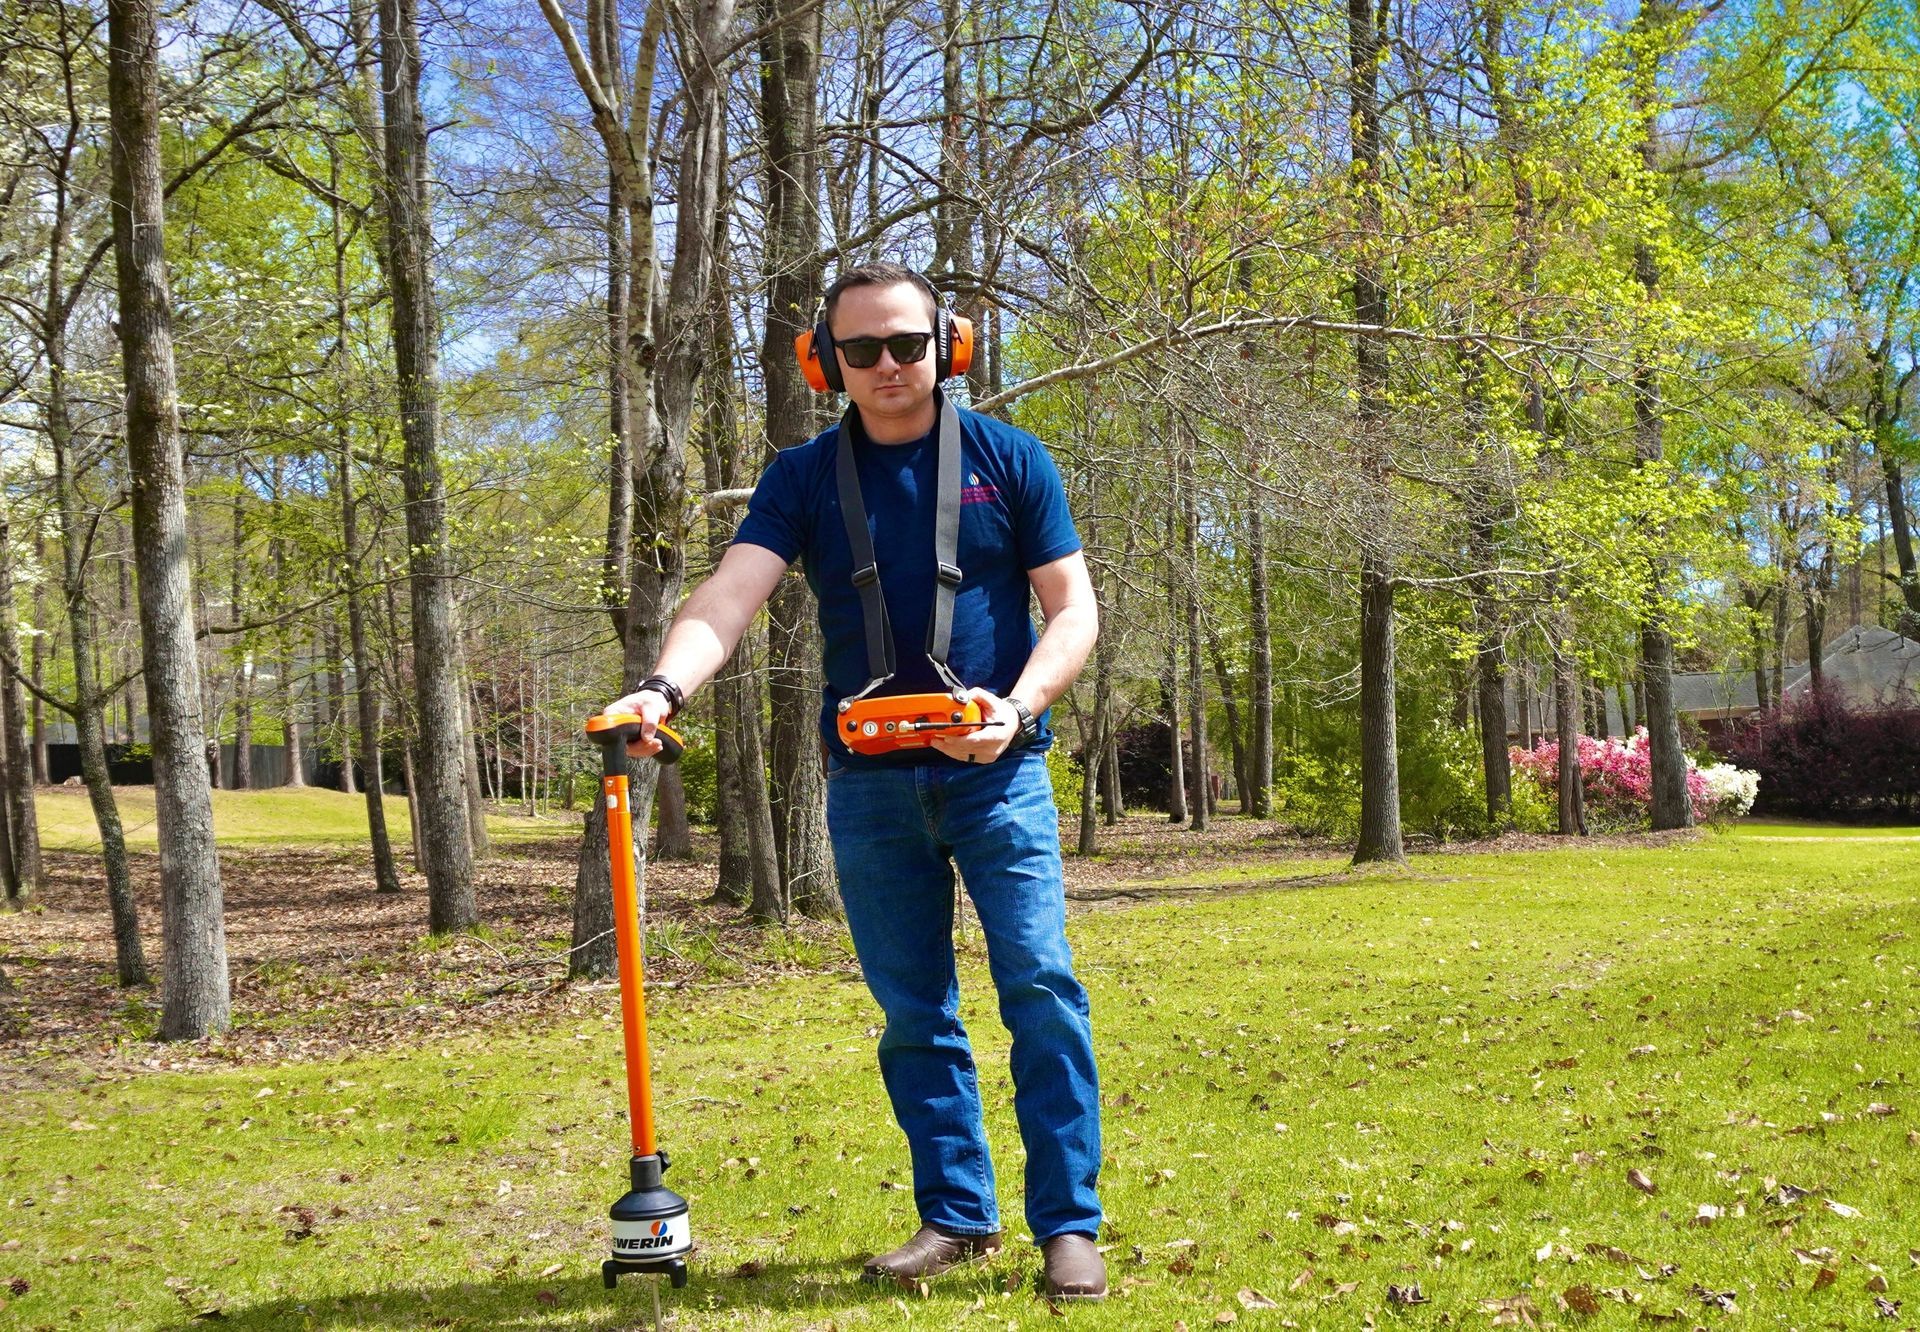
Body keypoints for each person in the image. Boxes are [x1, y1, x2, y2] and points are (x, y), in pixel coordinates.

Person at [603, 261, 1106, 1300]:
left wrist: (1014, 709)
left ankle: (1069, 1224)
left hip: (997, 778)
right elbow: (730, 595)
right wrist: (661, 689)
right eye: (861, 349)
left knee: (1042, 989)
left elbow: (1074, 611)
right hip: (871, 787)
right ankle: (957, 1215)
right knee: (915, 1012)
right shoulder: (801, 476)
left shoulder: (1011, 460)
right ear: (824, 361)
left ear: (947, 347)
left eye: (907, 345)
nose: (887, 365)